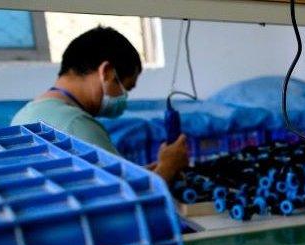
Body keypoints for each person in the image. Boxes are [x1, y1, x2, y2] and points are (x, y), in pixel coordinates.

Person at [11, 26, 188, 183]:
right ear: (107, 72)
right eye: (125, 88)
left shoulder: (23, 115)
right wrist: (168, 168)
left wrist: (144, 174)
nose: (124, 99)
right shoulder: (77, 125)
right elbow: (125, 204)